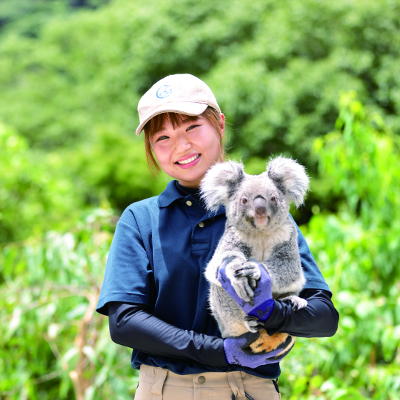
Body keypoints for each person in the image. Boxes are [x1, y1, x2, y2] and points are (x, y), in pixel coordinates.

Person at [96, 74, 339, 400]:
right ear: (151, 149)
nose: (180, 147)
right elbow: (124, 322)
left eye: (191, 128)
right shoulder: (141, 220)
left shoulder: (265, 210)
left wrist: (271, 311)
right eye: (162, 138)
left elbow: (323, 319)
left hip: (249, 389)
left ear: (220, 124)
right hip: (165, 390)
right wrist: (218, 351)